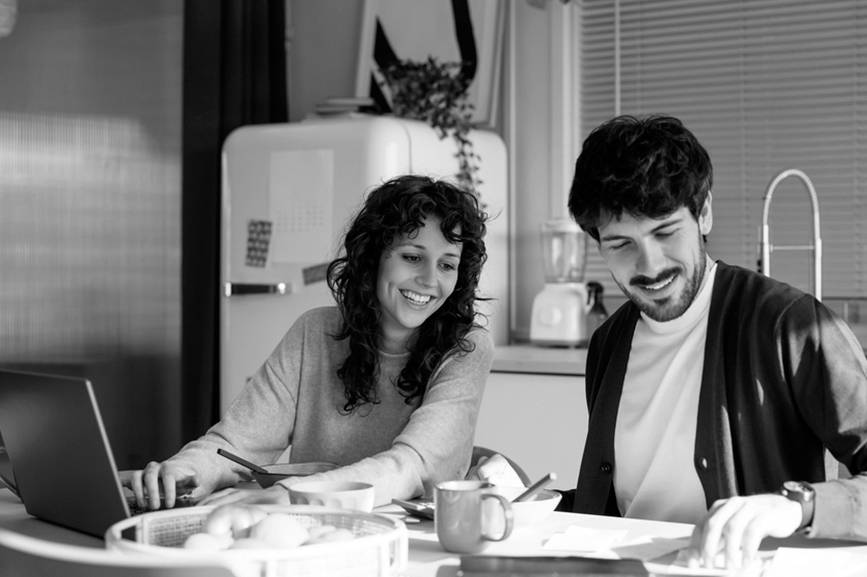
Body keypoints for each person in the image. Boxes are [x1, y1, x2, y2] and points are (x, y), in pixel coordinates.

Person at [478, 114, 867, 570]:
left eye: (664, 232)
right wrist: (525, 497)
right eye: (621, 243)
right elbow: (627, 509)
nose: (649, 264)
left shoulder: (792, 326)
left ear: (703, 213)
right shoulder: (609, 343)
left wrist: (795, 505)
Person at [123, 174, 495, 510]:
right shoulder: (314, 331)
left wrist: (293, 494)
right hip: (311, 535)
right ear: (373, 258)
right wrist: (181, 472)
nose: (430, 279)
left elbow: (410, 468)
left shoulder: (466, 349)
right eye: (413, 257)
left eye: (447, 264)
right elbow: (236, 444)